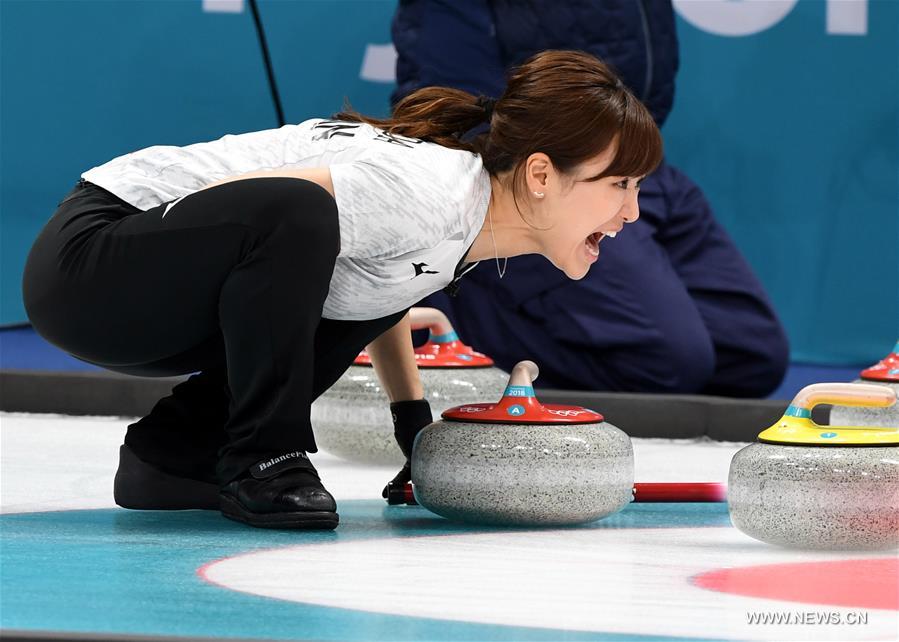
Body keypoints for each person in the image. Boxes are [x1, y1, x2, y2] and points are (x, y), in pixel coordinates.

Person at [21, 50, 662, 530]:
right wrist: (265, 279)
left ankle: (172, 458)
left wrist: (413, 430)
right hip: (93, 262)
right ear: (542, 174)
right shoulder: (429, 192)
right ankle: (263, 459)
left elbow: (377, 290)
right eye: (619, 185)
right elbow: (275, 210)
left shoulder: (466, 219)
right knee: (299, 216)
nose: (631, 213)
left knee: (356, 284)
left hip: (151, 289)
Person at [393, 0, 790, 396]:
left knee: (751, 355)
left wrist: (624, 170)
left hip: (636, 164)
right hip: (541, 182)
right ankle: (454, 299)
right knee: (668, 363)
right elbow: (453, 101)